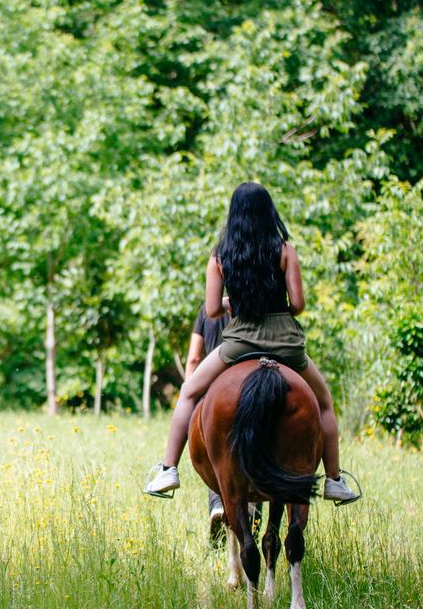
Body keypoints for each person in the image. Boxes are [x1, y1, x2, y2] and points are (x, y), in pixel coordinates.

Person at [143, 182, 360, 504]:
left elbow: (213, 309)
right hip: (286, 341)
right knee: (324, 403)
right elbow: (298, 304)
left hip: (240, 341)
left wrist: (238, 302)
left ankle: (168, 469)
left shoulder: (220, 256)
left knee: (188, 393)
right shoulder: (285, 250)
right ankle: (334, 480)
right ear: (268, 212)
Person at [185, 303, 231, 542]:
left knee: (215, 455)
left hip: (213, 381)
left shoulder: (206, 310)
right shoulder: (251, 289)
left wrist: (189, 392)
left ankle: (217, 505)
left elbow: (194, 357)